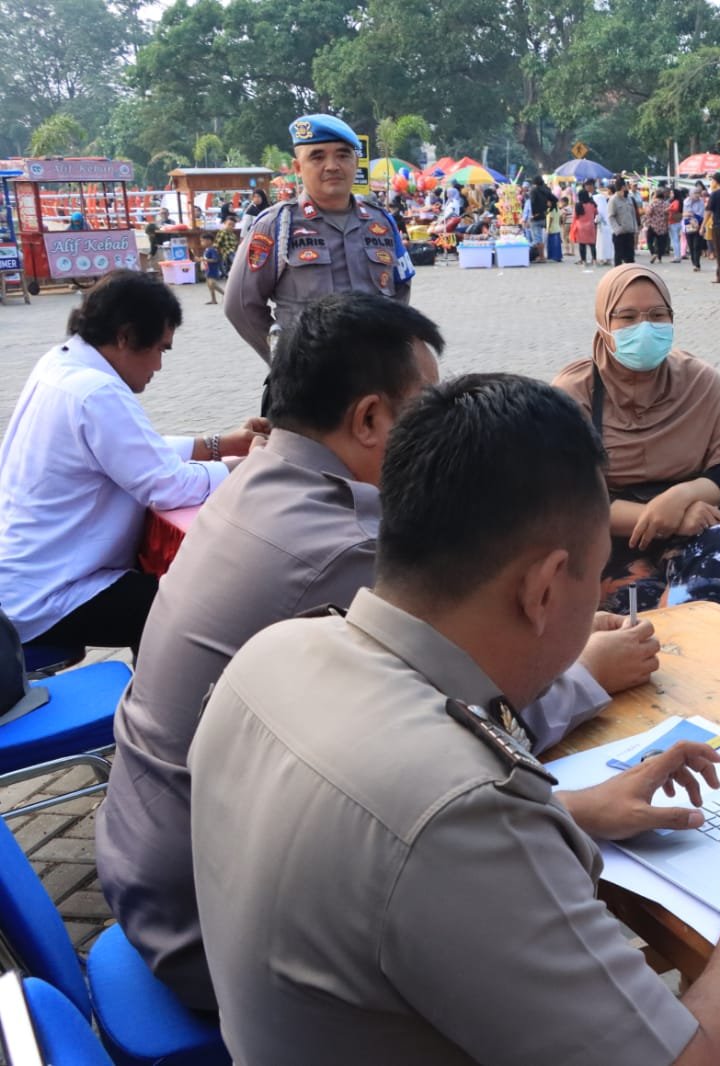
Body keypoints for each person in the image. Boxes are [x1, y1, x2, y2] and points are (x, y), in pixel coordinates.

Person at [187, 370, 720, 1065]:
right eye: (600, 573)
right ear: (545, 588)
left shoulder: (272, 655)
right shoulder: (465, 814)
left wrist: (572, 811)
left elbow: (382, 845)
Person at [94, 292, 659, 1010]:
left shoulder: (255, 485)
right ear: (368, 419)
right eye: (427, 411)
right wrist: (586, 674)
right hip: (208, 926)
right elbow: (467, 725)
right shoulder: (342, 554)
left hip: (147, 859)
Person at [0, 272, 262, 655]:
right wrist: (252, 465)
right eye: (160, 349)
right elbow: (169, 486)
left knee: (170, 597)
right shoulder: (96, 391)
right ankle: (163, 693)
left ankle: (155, 685)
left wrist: (219, 445)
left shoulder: (62, 364)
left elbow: (131, 452)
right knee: (198, 607)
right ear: (125, 337)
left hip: (29, 573)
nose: (159, 366)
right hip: (52, 590)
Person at [553, 266, 720, 614]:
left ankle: (705, 645)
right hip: (602, 537)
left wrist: (680, 497)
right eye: (627, 317)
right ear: (603, 323)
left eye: (658, 315)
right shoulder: (573, 394)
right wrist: (659, 516)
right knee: (639, 616)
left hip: (689, 527)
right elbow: (567, 501)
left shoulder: (700, 383)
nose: (644, 328)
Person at [224, 113, 413, 365]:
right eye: (317, 156)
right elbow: (239, 305)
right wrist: (285, 361)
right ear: (298, 167)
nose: (332, 166)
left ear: (356, 162)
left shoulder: (381, 223)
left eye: (343, 155)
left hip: (377, 370)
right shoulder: (276, 225)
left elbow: (401, 287)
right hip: (309, 377)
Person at [608, 179, 640, 265]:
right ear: (622, 187)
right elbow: (611, 217)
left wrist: (635, 229)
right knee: (619, 258)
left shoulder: (629, 199)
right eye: (626, 186)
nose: (627, 188)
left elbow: (633, 214)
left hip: (629, 233)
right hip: (619, 234)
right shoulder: (613, 200)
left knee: (630, 258)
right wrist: (618, 229)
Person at [572, 182, 598, 267]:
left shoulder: (578, 206)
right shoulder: (592, 204)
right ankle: (594, 260)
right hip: (590, 226)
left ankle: (584, 261)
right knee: (592, 244)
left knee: (582, 244)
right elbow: (596, 213)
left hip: (580, 227)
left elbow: (575, 216)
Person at [645, 185, 671, 263]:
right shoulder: (666, 204)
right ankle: (659, 257)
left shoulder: (653, 203)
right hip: (662, 225)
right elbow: (668, 214)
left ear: (656, 195)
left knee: (649, 240)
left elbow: (648, 212)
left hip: (652, 225)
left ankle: (653, 253)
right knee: (661, 243)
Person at [684, 183, 706, 271]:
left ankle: (697, 264)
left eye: (698, 193)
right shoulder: (686, 201)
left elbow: (701, 214)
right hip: (688, 224)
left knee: (697, 245)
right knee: (691, 245)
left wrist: (695, 219)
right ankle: (694, 262)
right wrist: (691, 218)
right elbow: (685, 213)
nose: (697, 195)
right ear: (690, 194)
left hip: (699, 224)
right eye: (695, 193)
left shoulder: (701, 202)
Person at [200, 232, 223, 305]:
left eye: (203, 241)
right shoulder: (207, 249)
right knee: (210, 286)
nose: (201, 243)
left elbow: (215, 259)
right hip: (208, 270)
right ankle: (213, 300)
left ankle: (226, 294)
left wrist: (204, 260)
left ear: (209, 241)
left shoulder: (212, 249)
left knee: (213, 285)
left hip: (213, 270)